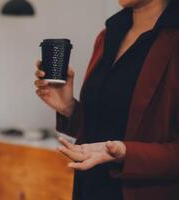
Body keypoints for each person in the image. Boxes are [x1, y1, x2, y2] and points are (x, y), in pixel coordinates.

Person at [35, 0, 179, 199]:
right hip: (89, 189)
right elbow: (103, 127)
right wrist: (69, 108)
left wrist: (125, 153)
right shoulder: (108, 35)